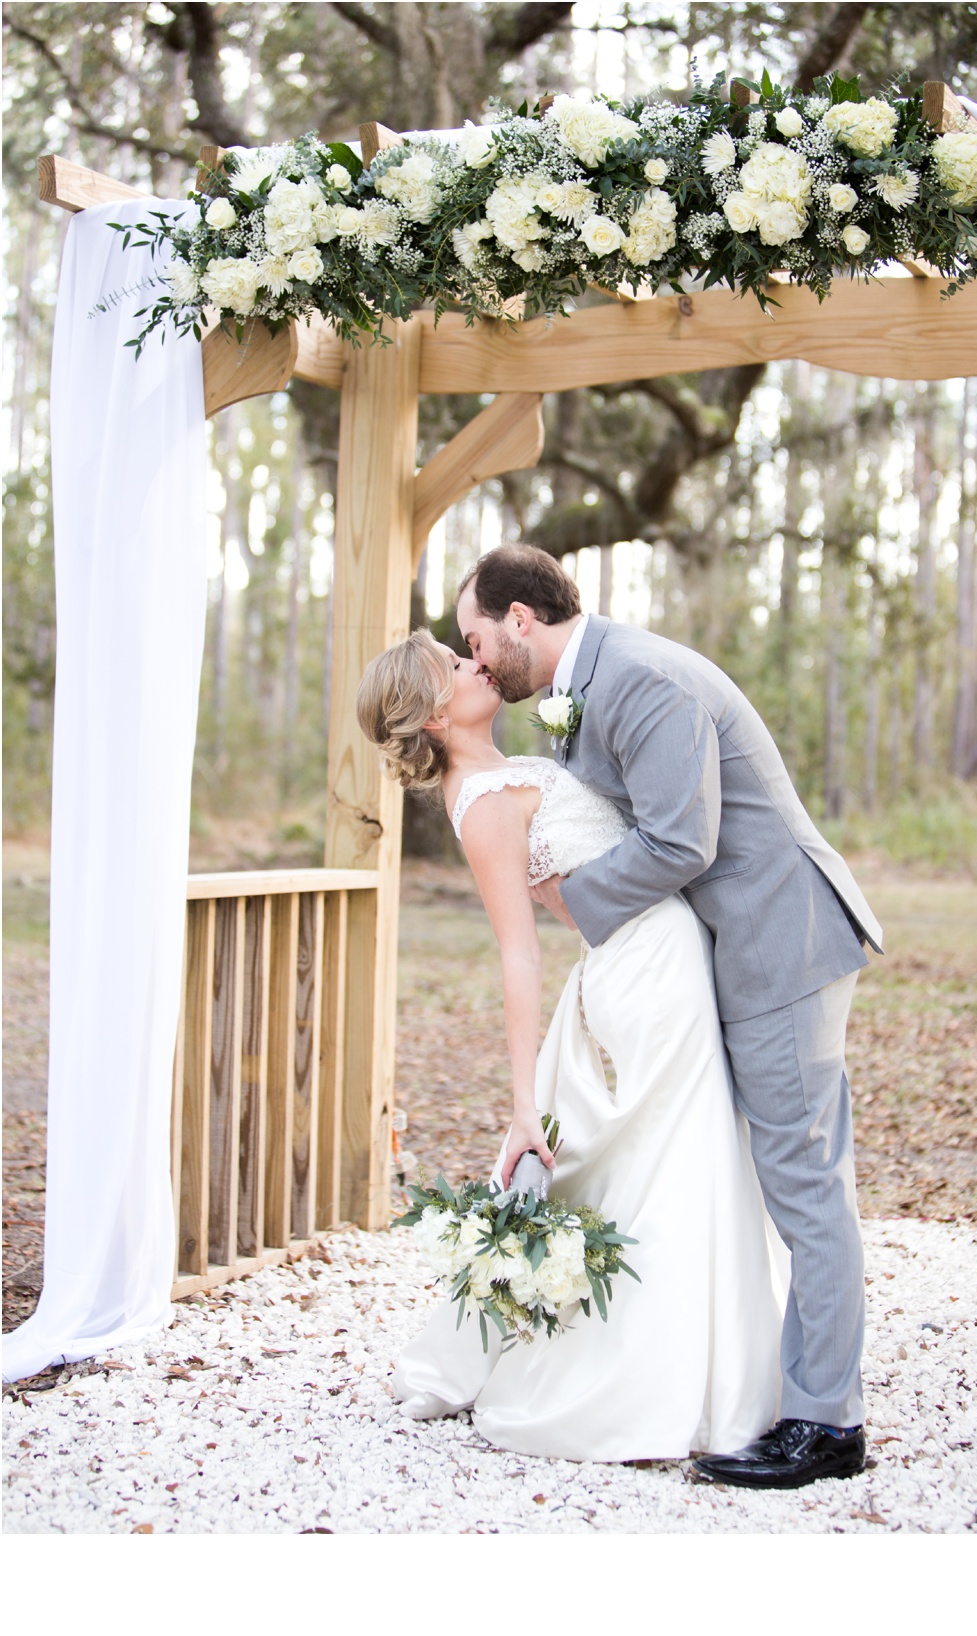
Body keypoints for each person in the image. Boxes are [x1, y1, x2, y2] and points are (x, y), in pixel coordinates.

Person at [446, 544, 886, 1489]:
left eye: (475, 636)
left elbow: (685, 839)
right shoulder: (585, 691)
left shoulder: (641, 679)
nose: (475, 657)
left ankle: (825, 1424)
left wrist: (576, 900)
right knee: (770, 1174)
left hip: (780, 941)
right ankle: (771, 1386)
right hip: (719, 957)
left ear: (520, 620)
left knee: (804, 1181)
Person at [358, 630, 784, 1462]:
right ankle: (671, 1382)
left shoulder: (504, 772)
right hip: (643, 972)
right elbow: (519, 951)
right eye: (456, 664)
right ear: (437, 712)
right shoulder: (480, 802)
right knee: (682, 1159)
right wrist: (523, 1106)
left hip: (659, 952)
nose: (476, 661)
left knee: (672, 1159)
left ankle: (701, 1365)